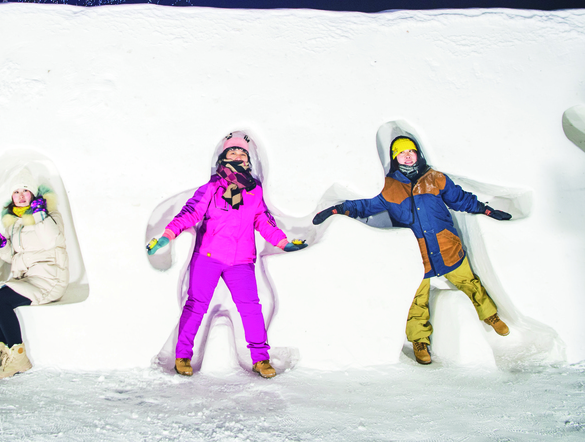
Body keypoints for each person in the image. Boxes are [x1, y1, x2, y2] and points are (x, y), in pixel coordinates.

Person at [312, 135, 512, 365]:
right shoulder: (388, 187)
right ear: (395, 158)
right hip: (417, 254)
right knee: (417, 300)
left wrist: (486, 211)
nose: (407, 156)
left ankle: (491, 316)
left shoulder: (435, 179)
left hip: (446, 245)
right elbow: (364, 205)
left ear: (417, 154)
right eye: (401, 153)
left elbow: (460, 200)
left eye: (411, 151)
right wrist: (337, 210)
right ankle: (420, 341)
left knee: (469, 282)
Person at [147, 132, 308, 378]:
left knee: (251, 309)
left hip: (240, 261)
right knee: (195, 306)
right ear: (223, 158)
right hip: (207, 257)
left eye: (242, 152)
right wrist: (168, 234)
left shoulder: (254, 192)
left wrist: (283, 242)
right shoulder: (212, 188)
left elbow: (263, 221)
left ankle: (260, 359)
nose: (237, 155)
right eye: (232, 152)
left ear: (248, 161)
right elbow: (190, 213)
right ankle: (182, 356)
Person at [0, 169, 68, 379]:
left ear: (34, 194)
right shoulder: (15, 222)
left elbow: (51, 241)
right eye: (16, 192)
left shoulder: (50, 214)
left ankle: (19, 358)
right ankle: (6, 352)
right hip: (28, 278)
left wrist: (40, 215)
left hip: (49, 279)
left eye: (26, 191)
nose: (21, 196)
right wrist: (2, 245)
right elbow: (12, 257)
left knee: (1, 302)